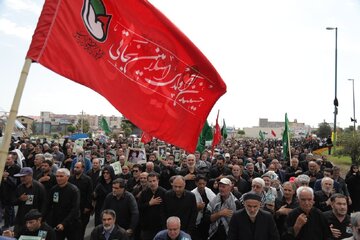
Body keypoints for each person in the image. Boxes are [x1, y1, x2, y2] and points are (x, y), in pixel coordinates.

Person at [46, 168, 81, 240]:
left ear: (67, 177)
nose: (58, 178)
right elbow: (48, 206)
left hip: (71, 222)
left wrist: (64, 223)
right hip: (57, 222)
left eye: (61, 176)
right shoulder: (54, 189)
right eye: (57, 176)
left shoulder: (74, 190)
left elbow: (75, 209)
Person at [13, 167, 47, 234]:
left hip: (34, 220)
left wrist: (40, 218)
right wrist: (20, 199)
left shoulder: (39, 187)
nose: (22, 179)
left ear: (31, 175)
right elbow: (13, 202)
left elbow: (44, 204)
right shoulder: (19, 187)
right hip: (21, 219)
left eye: (24, 176)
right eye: (21, 177)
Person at [138, 172, 166, 240]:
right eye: (150, 181)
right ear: (147, 182)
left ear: (158, 181)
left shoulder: (164, 192)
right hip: (147, 227)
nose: (152, 183)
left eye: (154, 181)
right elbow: (139, 207)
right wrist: (149, 203)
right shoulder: (144, 193)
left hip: (161, 226)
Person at [69, 161, 93, 240]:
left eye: (77, 167)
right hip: (72, 207)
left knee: (81, 228)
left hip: (83, 208)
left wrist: (87, 207)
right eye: (75, 167)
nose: (75, 169)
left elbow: (89, 194)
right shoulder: (71, 178)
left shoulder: (87, 179)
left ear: (82, 169)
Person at [191, 175, 216, 240]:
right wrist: (197, 207)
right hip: (197, 221)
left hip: (208, 219)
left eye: (203, 184)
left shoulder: (208, 191)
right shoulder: (192, 194)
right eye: (200, 184)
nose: (202, 186)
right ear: (196, 183)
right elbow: (189, 209)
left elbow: (215, 201)